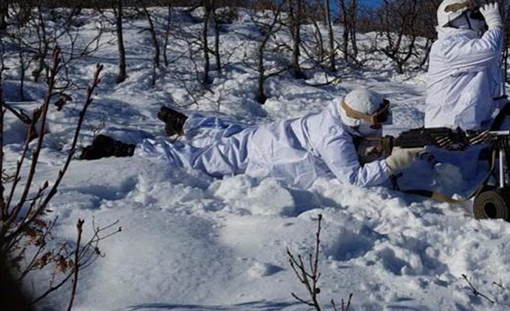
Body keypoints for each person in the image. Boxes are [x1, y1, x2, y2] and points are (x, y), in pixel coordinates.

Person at [80, 88, 425, 190]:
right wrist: (393, 163)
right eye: (378, 121)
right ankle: (124, 148)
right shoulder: (333, 136)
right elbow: (352, 179)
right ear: (356, 118)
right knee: (196, 161)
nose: (382, 126)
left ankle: (188, 124)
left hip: (268, 136)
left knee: (230, 131)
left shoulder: (337, 116)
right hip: (262, 151)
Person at [425, 0, 505, 131]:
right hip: (445, 131)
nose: (480, 21)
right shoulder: (444, 47)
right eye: (474, 16)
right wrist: (495, 25)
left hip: (471, 131)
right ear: (456, 18)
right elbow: (490, 50)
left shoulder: (473, 47)